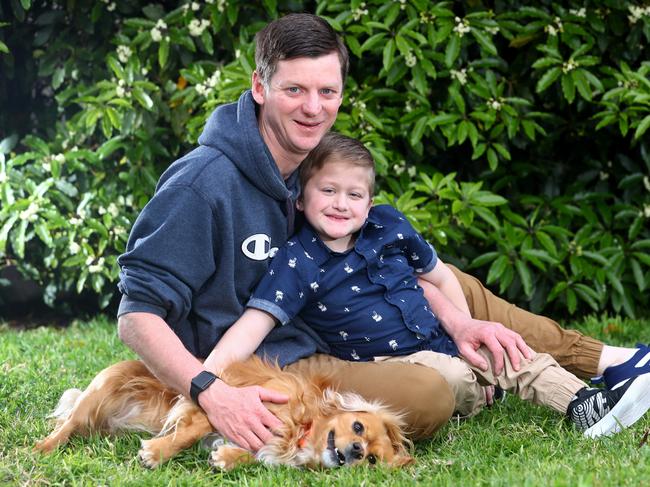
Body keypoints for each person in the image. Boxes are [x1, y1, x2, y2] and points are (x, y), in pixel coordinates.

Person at [116, 13, 649, 452]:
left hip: (333, 313)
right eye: (294, 89)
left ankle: (613, 363)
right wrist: (211, 391)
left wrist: (460, 324)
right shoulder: (203, 184)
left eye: (328, 91)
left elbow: (373, 257)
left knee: (451, 285)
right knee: (430, 395)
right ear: (259, 87)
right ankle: (489, 378)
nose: (313, 107)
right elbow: (136, 317)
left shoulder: (314, 170)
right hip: (282, 359)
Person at [206, 132, 650, 438]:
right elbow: (255, 322)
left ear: (370, 201)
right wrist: (208, 380)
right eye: (328, 191)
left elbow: (438, 277)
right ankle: (479, 390)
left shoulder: (388, 227)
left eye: (354, 194)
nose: (341, 204)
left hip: (440, 339)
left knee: (501, 349)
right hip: (395, 361)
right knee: (456, 374)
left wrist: (463, 330)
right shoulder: (298, 260)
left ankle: (586, 405)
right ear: (301, 200)